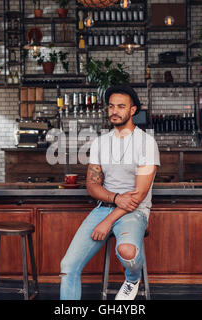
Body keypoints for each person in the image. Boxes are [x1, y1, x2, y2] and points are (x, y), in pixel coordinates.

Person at [60, 84, 160, 300]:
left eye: (121, 106)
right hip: (103, 208)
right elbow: (92, 185)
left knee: (128, 253)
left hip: (134, 212)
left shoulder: (146, 143)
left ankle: (133, 279)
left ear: (133, 110)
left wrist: (108, 221)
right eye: (111, 106)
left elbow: (138, 195)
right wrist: (114, 198)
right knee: (68, 266)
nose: (114, 111)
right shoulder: (100, 143)